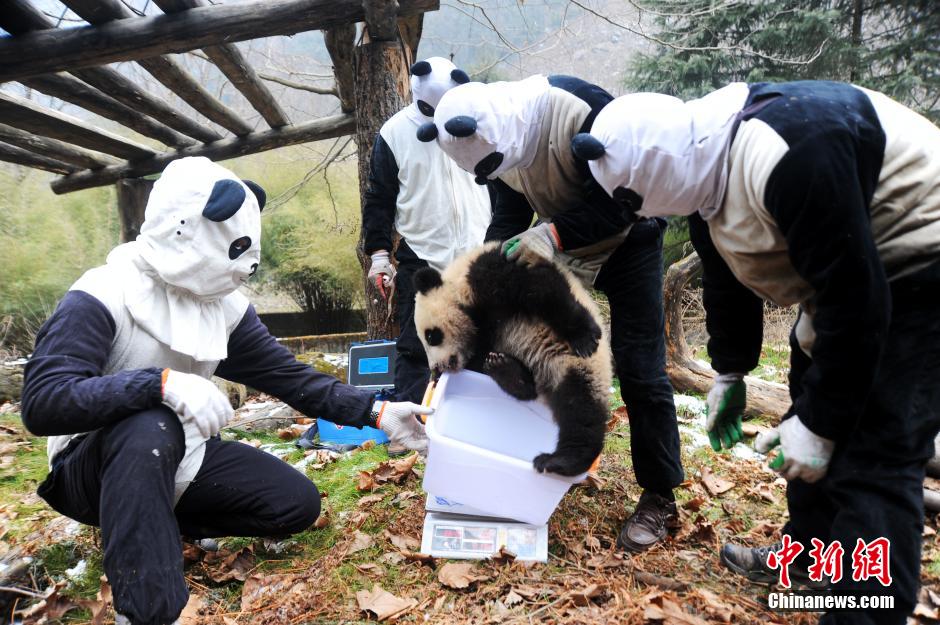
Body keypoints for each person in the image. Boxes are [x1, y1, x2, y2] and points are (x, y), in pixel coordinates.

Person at [572, 80, 940, 624]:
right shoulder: (701, 171)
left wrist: (821, 424)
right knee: (806, 404)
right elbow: (726, 277)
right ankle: (810, 561)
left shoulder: (790, 153)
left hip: (919, 270)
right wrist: (731, 370)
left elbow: (858, 307)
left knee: (871, 455)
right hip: (853, 280)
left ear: (655, 169)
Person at [20, 157, 432, 625]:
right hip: (90, 468)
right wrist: (159, 384)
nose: (247, 264)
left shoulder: (221, 304)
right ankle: (147, 613)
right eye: (235, 247)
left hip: (181, 454)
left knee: (294, 503)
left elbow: (289, 376)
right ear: (185, 229)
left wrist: (377, 412)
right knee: (149, 422)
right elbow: (43, 401)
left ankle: (153, 525)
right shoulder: (103, 292)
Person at [416, 74, 685, 552]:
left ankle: (659, 494)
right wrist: (483, 268)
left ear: (495, 131)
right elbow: (507, 217)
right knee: (514, 343)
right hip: (561, 241)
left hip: (629, 234)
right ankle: (525, 446)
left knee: (641, 368)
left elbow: (626, 199)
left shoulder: (581, 111)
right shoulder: (495, 141)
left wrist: (554, 235)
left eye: (490, 168)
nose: (491, 175)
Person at [362, 56, 491, 406]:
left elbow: (497, 178)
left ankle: (471, 419)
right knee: (415, 345)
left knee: (482, 341)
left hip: (476, 252)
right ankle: (410, 421)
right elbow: (379, 198)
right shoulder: (394, 132)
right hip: (421, 256)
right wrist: (378, 255)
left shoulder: (475, 121)